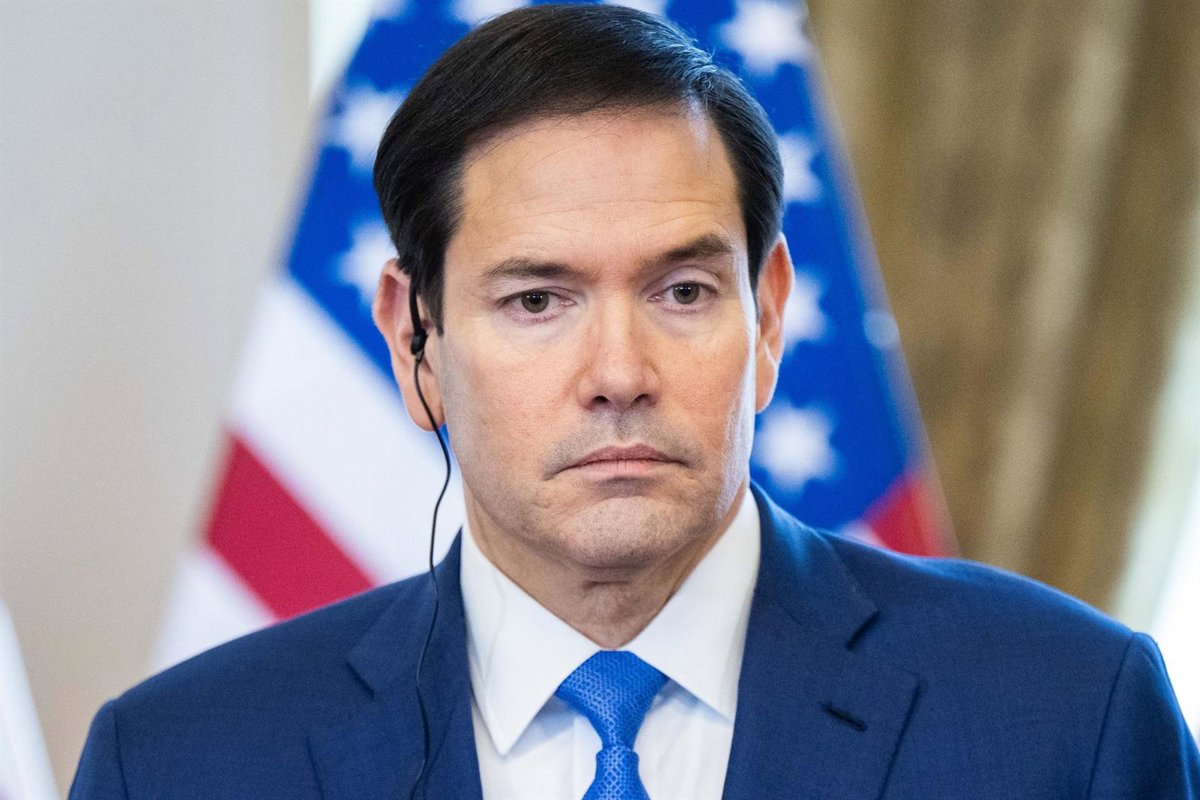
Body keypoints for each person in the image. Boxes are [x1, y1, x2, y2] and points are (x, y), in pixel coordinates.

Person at [70, 5, 1198, 799]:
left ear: (769, 318)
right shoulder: (179, 764)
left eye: (683, 291)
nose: (619, 371)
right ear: (415, 343)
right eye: (537, 300)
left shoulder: (1068, 716)